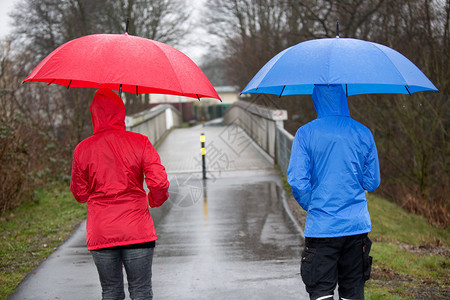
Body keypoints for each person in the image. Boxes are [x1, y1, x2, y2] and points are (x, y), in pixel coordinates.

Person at [70, 88, 169, 300]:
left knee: (111, 292)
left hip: (102, 230)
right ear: (121, 113)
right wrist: (153, 199)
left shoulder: (82, 149)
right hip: (137, 229)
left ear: (94, 114)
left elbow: (79, 193)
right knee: (141, 291)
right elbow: (159, 183)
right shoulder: (140, 142)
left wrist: (98, 197)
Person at [287, 84, 381, 300]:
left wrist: (313, 204)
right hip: (356, 228)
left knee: (321, 291)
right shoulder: (363, 132)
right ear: (344, 97)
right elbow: (372, 181)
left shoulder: (305, 133)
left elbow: (298, 181)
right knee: (353, 290)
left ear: (316, 99)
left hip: (322, 229)